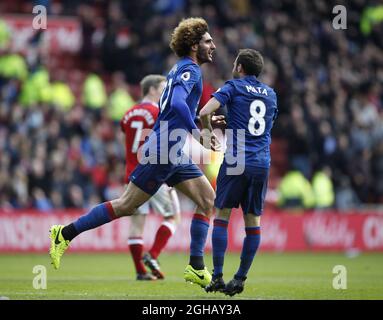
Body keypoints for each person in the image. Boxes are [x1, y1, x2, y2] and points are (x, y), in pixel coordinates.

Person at [49, 17, 220, 289]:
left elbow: (180, 107)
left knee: (208, 199)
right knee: (126, 205)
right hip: (163, 150)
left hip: (171, 149)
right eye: (208, 41)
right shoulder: (191, 71)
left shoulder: (181, 69)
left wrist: (200, 125)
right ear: (193, 45)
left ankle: (196, 267)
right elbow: (177, 104)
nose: (213, 45)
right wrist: (199, 135)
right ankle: (64, 234)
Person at [199, 49, 278, 296]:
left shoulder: (233, 86)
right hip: (261, 163)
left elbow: (204, 112)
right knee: (253, 222)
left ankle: (219, 277)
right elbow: (261, 127)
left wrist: (208, 132)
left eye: (235, 64)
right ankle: (240, 279)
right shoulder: (271, 94)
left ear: (240, 67)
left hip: (236, 160)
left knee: (221, 216)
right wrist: (231, 121)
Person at [120, 74, 181, 280]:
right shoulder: (157, 112)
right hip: (153, 174)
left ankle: (140, 271)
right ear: (152, 90)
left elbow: (127, 143)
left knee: (137, 223)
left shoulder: (128, 113)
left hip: (132, 174)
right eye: (163, 88)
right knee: (172, 216)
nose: (166, 92)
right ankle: (153, 255)